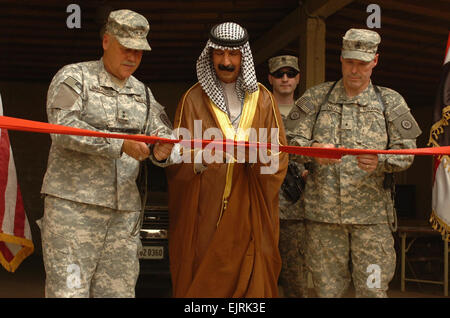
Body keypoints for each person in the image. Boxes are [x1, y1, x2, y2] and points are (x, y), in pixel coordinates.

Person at [38, 9, 174, 298]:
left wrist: (162, 151)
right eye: (126, 48)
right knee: (68, 293)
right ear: (106, 41)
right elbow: (62, 126)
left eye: (139, 51)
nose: (133, 57)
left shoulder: (144, 94)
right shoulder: (74, 78)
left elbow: (164, 134)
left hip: (123, 216)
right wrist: (121, 144)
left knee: (118, 294)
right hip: (73, 210)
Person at [285, 28, 421, 297]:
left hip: (371, 221)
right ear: (341, 59)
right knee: (326, 292)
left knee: (372, 291)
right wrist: (313, 150)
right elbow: (288, 143)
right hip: (322, 219)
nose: (355, 70)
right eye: (350, 62)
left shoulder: (390, 102)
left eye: (362, 63)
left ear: (375, 61)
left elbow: (408, 151)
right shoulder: (316, 98)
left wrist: (381, 161)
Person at [166, 22, 288, 297]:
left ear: (243, 56)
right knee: (204, 284)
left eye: (233, 54)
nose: (226, 62)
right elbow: (174, 157)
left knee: (252, 282)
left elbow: (279, 156)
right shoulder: (193, 99)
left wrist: (256, 158)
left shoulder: (264, 99)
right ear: (209, 55)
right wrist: (203, 159)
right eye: (219, 54)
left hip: (250, 213)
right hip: (205, 214)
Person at [267, 55, 308, 298]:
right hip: (263, 204)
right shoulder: (259, 108)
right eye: (280, 74)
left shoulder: (308, 113)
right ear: (270, 78)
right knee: (261, 271)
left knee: (295, 274)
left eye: (290, 74)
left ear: (298, 78)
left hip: (295, 207)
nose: (285, 79)